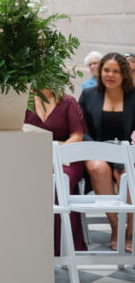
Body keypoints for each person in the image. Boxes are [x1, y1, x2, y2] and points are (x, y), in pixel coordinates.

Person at [79, 53, 135, 250]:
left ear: (124, 74)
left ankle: (130, 231)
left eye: (116, 71)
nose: (109, 75)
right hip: (96, 149)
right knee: (97, 168)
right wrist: (96, 149)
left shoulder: (133, 96)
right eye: (106, 70)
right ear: (100, 71)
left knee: (128, 174)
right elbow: (81, 129)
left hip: (128, 153)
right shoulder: (89, 95)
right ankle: (115, 226)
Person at [25, 90, 86, 254]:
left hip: (66, 158)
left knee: (59, 180)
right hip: (32, 158)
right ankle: (30, 242)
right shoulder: (24, 101)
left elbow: (77, 136)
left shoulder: (68, 102)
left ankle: (62, 246)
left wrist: (54, 154)